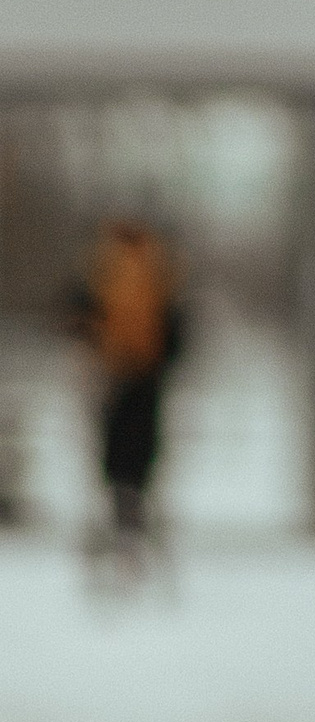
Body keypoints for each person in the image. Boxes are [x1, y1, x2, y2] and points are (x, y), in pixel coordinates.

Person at [72, 213, 189, 570]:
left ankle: (120, 504)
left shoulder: (104, 263)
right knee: (142, 439)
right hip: (147, 372)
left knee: (114, 438)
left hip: (114, 370)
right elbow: (173, 318)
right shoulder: (158, 264)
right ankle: (134, 504)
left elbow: (84, 310)